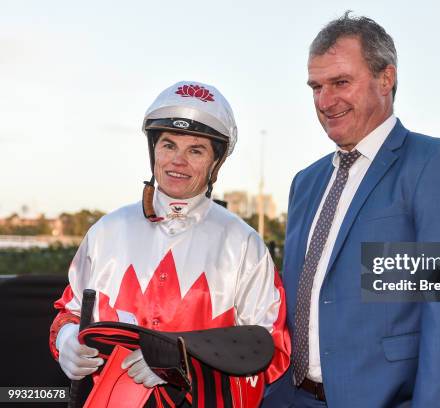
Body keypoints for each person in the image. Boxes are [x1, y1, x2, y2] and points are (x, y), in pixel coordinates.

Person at [265, 12, 440, 408]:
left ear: (385, 79)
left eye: (340, 83)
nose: (324, 101)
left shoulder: (438, 165)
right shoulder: (305, 182)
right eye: (316, 87)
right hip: (289, 398)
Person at [49, 81, 291, 407]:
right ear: (154, 151)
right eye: (168, 145)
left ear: (215, 163)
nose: (178, 161)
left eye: (195, 150)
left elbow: (270, 348)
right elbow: (70, 310)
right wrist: (66, 340)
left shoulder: (244, 243)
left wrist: (186, 364)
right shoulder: (106, 230)